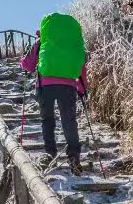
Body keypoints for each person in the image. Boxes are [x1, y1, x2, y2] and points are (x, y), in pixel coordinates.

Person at [20, 12, 88, 174]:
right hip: (69, 86)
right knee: (69, 121)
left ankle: (50, 154)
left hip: (45, 86)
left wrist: (22, 61)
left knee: (48, 120)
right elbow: (81, 68)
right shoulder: (73, 44)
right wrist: (82, 88)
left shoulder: (42, 41)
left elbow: (28, 65)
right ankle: (74, 156)